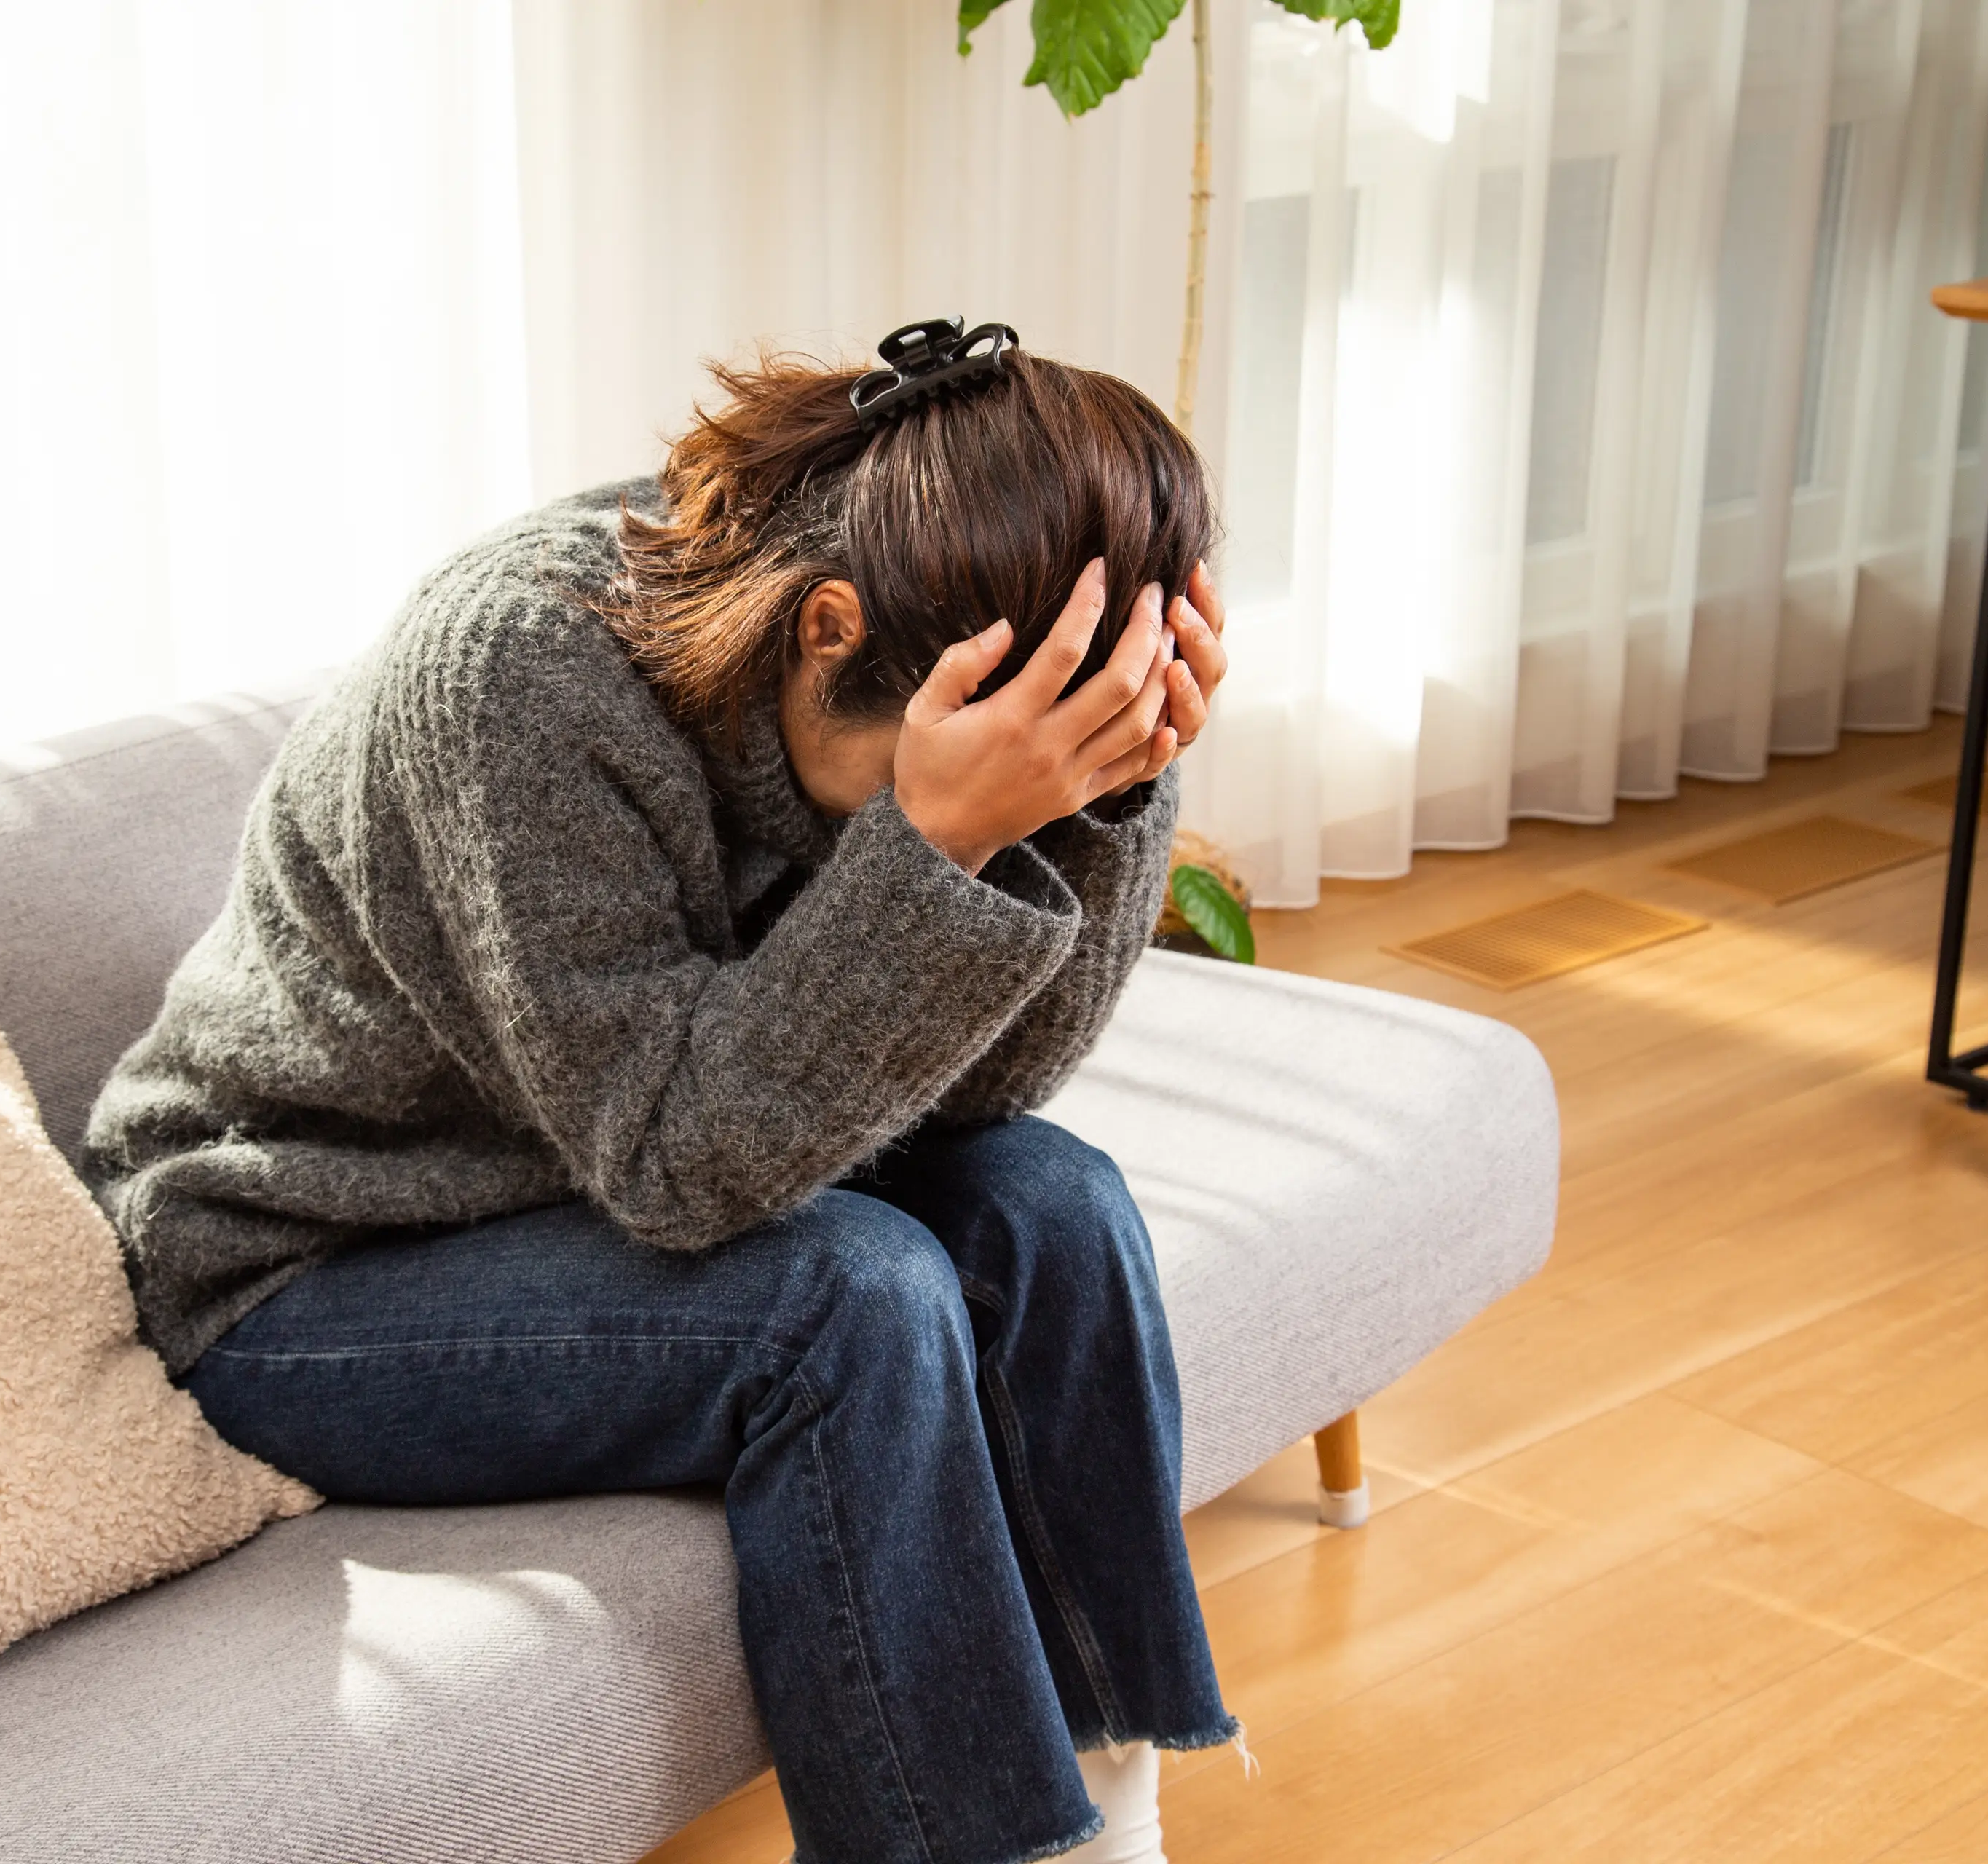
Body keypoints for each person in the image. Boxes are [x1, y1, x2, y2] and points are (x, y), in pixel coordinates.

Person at [84, 317, 1236, 1864]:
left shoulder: (884, 606)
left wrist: (1107, 797)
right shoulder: (518, 672)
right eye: (982, 760)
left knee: (1055, 1201)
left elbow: (988, 1094)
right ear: (830, 630)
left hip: (585, 1178)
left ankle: (1109, 1829)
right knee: (848, 1296)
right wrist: (940, 848)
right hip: (308, 1261)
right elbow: (677, 1167)